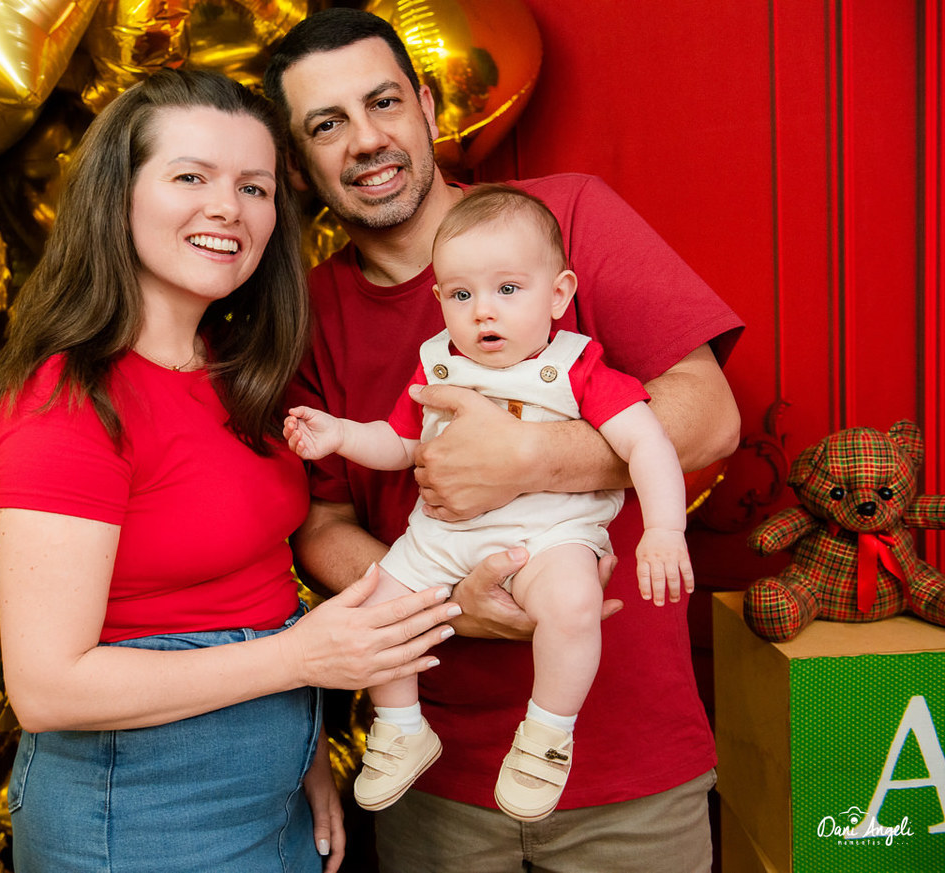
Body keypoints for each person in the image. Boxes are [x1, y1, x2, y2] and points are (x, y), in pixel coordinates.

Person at [263, 9, 745, 872]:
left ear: (427, 107)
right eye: (326, 125)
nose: (366, 140)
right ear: (299, 165)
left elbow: (710, 413)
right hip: (436, 785)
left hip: (628, 770)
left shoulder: (563, 220)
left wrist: (527, 459)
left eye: (383, 103)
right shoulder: (310, 314)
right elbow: (321, 525)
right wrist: (455, 604)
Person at [0, 69, 463, 873]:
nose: (228, 208)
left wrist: (302, 753)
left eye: (254, 187)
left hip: (270, 794)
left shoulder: (239, 372)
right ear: (118, 198)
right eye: (191, 177)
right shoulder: (65, 401)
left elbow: (252, 584)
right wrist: (299, 661)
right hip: (138, 811)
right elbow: (48, 688)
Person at [283, 183, 694, 823]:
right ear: (439, 300)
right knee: (379, 605)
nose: (483, 314)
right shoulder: (437, 365)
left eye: (508, 290)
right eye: (461, 295)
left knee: (572, 602)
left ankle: (547, 734)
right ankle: (402, 726)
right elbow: (400, 444)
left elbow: (647, 443)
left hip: (549, 535)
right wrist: (340, 435)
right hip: (442, 539)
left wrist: (664, 530)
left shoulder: (576, 368)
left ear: (558, 294)